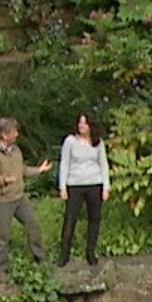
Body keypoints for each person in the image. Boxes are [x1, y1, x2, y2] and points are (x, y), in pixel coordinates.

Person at [0, 117, 52, 281]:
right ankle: (0, 269)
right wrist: (4, 180)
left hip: (19, 197)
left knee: (33, 225)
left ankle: (40, 258)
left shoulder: (15, 150)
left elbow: (22, 169)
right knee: (2, 236)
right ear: (5, 135)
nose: (17, 134)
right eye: (14, 132)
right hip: (1, 200)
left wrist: (39, 170)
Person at [57, 111, 111, 266]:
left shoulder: (98, 142)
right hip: (75, 185)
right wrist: (63, 186)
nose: (82, 126)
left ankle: (90, 253)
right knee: (70, 219)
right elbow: (64, 164)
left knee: (94, 219)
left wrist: (106, 187)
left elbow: (103, 164)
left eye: (85, 123)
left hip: (95, 184)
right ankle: (64, 255)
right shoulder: (70, 141)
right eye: (80, 122)